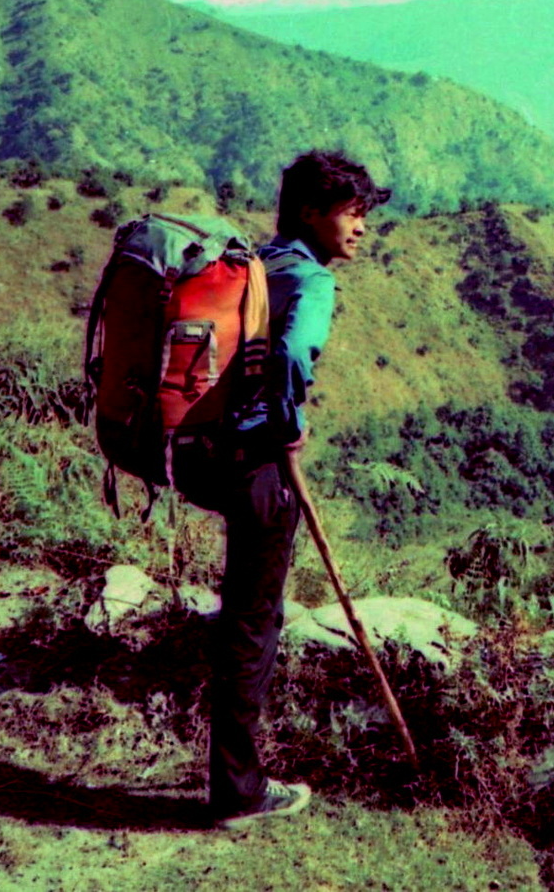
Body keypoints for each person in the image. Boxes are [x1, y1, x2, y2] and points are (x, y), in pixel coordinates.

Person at [185, 150, 390, 828]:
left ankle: (230, 771)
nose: (361, 228)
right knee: (253, 626)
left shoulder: (257, 264)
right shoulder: (311, 280)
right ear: (310, 211)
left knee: (245, 615)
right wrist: (291, 425)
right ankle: (238, 793)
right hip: (259, 467)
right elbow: (293, 354)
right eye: (352, 213)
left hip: (204, 456)